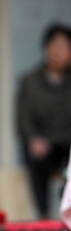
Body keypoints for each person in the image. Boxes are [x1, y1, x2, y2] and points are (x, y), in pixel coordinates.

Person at [17, 23, 71, 219]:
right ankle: (44, 212)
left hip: (68, 145)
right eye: (54, 45)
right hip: (44, 145)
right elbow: (23, 118)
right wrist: (33, 138)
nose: (58, 51)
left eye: (64, 47)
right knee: (37, 156)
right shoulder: (29, 81)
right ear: (46, 48)